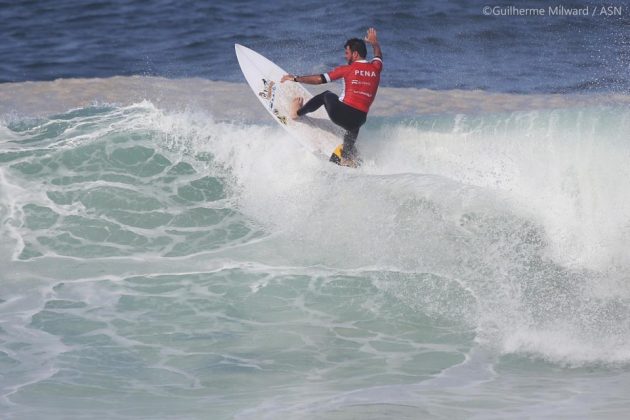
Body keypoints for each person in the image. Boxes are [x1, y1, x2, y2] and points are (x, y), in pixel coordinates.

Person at [281, 28, 383, 166]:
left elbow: (319, 79)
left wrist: (295, 78)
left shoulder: (347, 69)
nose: (346, 56)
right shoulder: (376, 68)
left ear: (355, 54)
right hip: (359, 120)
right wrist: (374, 43)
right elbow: (378, 55)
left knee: (326, 95)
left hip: (341, 115)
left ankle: (296, 113)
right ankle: (346, 156)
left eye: (347, 53)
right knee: (352, 126)